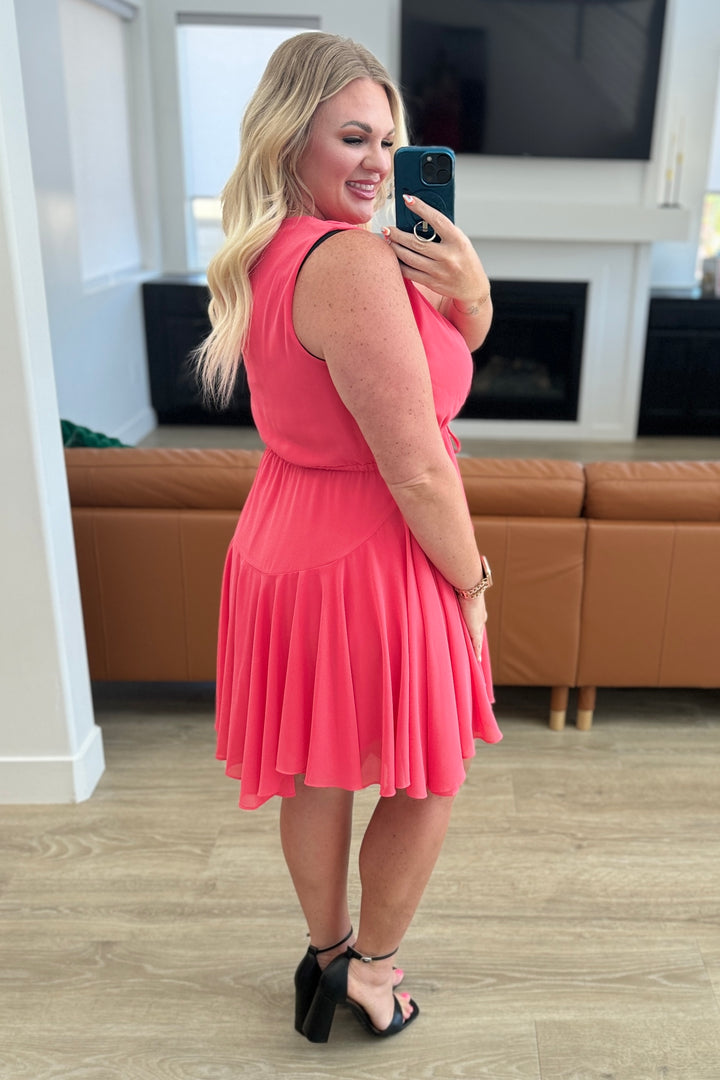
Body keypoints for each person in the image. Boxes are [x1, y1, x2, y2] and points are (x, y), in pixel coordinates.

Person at [195, 31, 502, 1043]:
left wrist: (469, 289)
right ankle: (370, 972)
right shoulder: (356, 264)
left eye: (389, 140)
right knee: (431, 771)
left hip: (285, 535)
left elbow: (445, 350)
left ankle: (326, 957)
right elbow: (418, 469)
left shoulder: (273, 250)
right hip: (372, 548)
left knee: (317, 767)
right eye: (353, 138)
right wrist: (473, 581)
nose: (379, 162)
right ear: (292, 142)